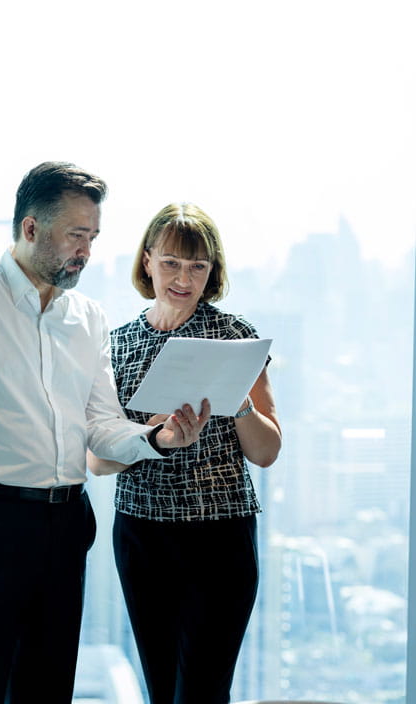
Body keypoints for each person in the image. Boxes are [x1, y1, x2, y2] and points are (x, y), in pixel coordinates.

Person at [0, 162, 211, 703]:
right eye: (76, 235)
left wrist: (156, 439)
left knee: (48, 692)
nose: (87, 251)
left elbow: (99, 427)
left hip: (68, 522)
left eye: (93, 237)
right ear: (30, 229)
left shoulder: (88, 317)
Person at [88, 202, 282, 704]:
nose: (183, 277)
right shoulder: (117, 345)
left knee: (201, 691)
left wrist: (237, 401)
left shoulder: (236, 337)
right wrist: (151, 435)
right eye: (171, 262)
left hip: (221, 534)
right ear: (147, 260)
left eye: (198, 266)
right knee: (161, 689)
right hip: (143, 535)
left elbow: (267, 452)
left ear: (212, 272)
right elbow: (97, 462)